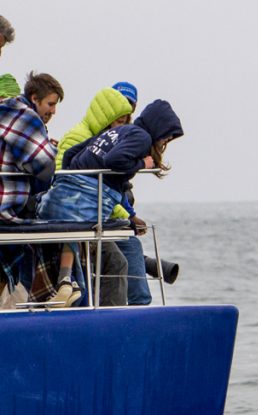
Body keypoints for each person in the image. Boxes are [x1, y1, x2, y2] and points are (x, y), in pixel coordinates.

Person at [37, 99, 183, 307]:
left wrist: (68, 183)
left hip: (63, 196)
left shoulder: (118, 132)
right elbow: (113, 160)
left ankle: (67, 283)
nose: (167, 140)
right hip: (86, 202)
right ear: (159, 127)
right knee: (114, 260)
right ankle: (112, 313)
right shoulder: (142, 137)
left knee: (74, 234)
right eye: (168, 135)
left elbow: (70, 154)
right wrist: (143, 163)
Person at [50, 85, 136, 306]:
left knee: (123, 255)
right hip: (77, 215)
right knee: (116, 262)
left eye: (125, 122)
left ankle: (121, 310)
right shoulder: (77, 137)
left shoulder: (101, 141)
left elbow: (108, 188)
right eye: (118, 122)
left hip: (93, 215)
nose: (121, 127)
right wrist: (122, 214)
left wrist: (124, 213)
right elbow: (63, 179)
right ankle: (110, 322)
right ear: (106, 118)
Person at [0, 72, 60, 305]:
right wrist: (53, 150)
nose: (53, 111)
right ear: (34, 98)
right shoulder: (25, 117)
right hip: (8, 209)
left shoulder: (5, 110)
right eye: (51, 104)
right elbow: (44, 165)